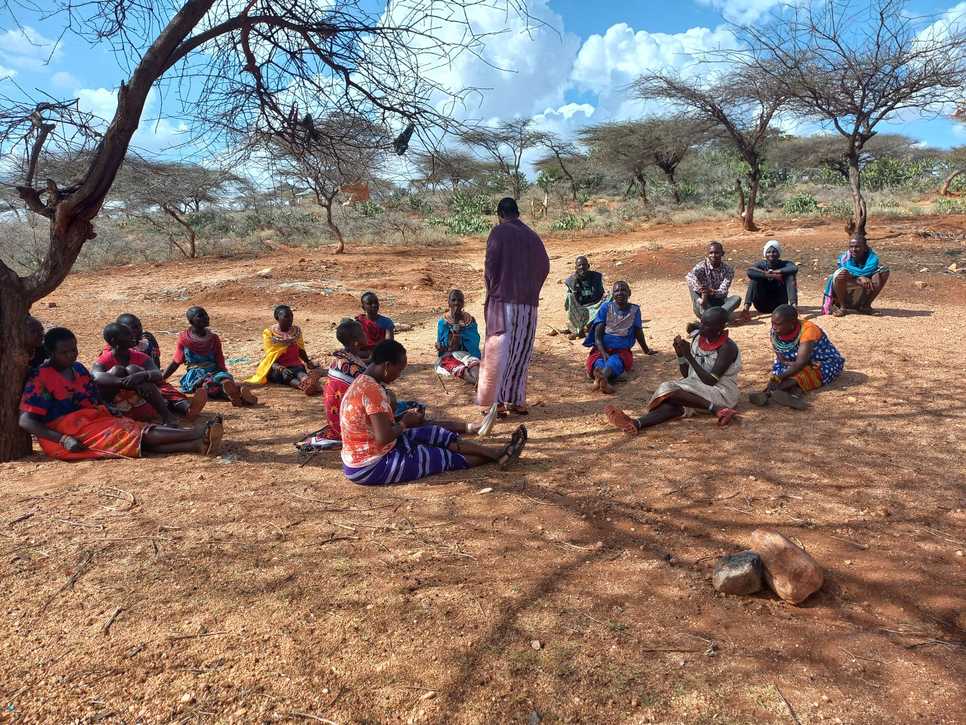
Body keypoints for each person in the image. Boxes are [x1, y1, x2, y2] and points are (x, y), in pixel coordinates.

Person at [19, 327, 223, 461]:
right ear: (51, 353)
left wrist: (109, 409)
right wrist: (63, 439)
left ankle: (196, 444)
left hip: (92, 420)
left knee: (132, 431)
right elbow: (26, 421)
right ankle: (196, 433)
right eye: (65, 352)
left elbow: (94, 397)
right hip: (66, 432)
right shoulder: (41, 378)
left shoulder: (78, 369)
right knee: (126, 434)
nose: (72, 355)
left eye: (74, 350)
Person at [339, 340, 527, 484]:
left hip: (370, 453)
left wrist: (404, 420)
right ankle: (499, 455)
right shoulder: (372, 392)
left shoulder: (364, 383)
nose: (399, 375)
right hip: (370, 465)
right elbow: (383, 437)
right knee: (440, 457)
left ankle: (497, 453)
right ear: (387, 366)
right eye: (399, 369)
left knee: (433, 434)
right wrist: (404, 423)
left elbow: (377, 427)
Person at [605, 307, 741, 433]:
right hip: (697, 388)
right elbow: (688, 374)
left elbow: (710, 381)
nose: (701, 327)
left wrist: (689, 355)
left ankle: (717, 409)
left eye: (706, 325)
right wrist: (680, 355)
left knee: (669, 389)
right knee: (672, 403)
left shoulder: (727, 348)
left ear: (719, 327)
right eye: (701, 322)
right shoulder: (698, 339)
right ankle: (636, 423)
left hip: (721, 393)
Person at [477, 197, 550, 416]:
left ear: (499, 214)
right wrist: (531, 290)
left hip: (503, 303)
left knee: (497, 351)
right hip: (528, 305)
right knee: (521, 351)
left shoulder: (498, 232)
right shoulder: (533, 236)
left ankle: (494, 404)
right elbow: (544, 267)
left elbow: (490, 266)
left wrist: (492, 288)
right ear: (517, 213)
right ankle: (516, 400)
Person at [93, 322, 206, 424]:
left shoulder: (141, 356)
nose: (132, 336)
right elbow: (95, 376)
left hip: (139, 403)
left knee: (135, 371)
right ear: (114, 340)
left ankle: (168, 415)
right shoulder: (104, 359)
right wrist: (122, 381)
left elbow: (157, 374)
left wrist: (141, 375)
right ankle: (171, 414)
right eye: (127, 334)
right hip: (115, 404)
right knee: (118, 371)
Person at [750, 304, 845, 409]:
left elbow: (800, 363)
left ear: (792, 324)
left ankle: (769, 392)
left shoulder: (808, 330)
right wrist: (790, 367)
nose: (774, 327)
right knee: (784, 370)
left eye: (778, 324)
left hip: (825, 362)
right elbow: (782, 359)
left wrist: (779, 378)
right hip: (795, 362)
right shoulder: (775, 332)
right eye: (772, 323)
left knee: (807, 372)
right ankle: (794, 394)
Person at [162, 306, 256, 406]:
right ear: (191, 321)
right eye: (200, 316)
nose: (206, 317)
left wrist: (220, 372)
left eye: (205, 315)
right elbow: (176, 361)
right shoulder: (184, 339)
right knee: (209, 384)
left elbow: (219, 360)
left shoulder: (213, 338)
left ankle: (233, 394)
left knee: (222, 380)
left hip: (214, 371)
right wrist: (161, 378)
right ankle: (238, 395)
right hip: (197, 374)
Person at [584, 281, 655, 394]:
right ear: (613, 294)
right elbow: (597, 336)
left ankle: (600, 379)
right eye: (616, 291)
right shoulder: (606, 308)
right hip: (602, 348)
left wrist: (646, 350)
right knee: (599, 361)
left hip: (621, 350)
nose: (620, 293)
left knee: (614, 362)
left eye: (623, 290)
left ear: (629, 293)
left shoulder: (634, 310)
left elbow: (638, 332)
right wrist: (603, 352)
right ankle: (604, 379)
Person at [246, 304, 322, 394]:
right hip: (277, 367)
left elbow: (300, 349)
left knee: (300, 372)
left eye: (291, 316)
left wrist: (308, 362)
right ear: (277, 318)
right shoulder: (269, 333)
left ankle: (309, 382)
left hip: (295, 364)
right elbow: (270, 357)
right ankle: (303, 386)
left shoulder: (296, 331)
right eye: (286, 316)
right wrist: (281, 368)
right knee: (286, 376)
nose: (290, 319)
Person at [822, 237, 890, 316]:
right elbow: (844, 273)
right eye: (851, 247)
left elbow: (876, 273)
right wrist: (859, 277)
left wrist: (875, 277)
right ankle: (842, 307)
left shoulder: (872, 260)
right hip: (844, 292)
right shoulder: (844, 259)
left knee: (883, 271)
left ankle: (866, 306)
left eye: (857, 247)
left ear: (865, 248)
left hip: (861, 291)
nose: (853, 249)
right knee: (841, 273)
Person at [736, 240, 799, 319]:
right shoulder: (761, 264)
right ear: (765, 254)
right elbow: (750, 271)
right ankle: (746, 310)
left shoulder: (784, 264)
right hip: (762, 305)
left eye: (774, 252)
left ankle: (794, 307)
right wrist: (768, 275)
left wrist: (776, 271)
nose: (771, 254)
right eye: (768, 252)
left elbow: (794, 268)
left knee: (790, 276)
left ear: (779, 253)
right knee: (754, 279)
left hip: (780, 305)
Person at [435, 289, 481, 386]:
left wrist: (458, 328)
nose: (456, 303)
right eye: (454, 300)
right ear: (449, 303)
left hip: (467, 354)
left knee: (474, 363)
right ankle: (476, 382)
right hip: (450, 355)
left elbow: (474, 342)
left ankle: (477, 379)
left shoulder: (470, 321)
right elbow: (449, 347)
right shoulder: (443, 322)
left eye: (460, 300)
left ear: (463, 303)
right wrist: (440, 345)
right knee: (458, 367)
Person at [686, 241, 741, 319]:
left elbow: (723, 292)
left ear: (722, 253)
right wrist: (702, 290)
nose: (713, 255)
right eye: (711, 253)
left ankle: (712, 317)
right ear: (707, 254)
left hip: (719, 301)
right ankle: (716, 316)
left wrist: (711, 291)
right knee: (690, 283)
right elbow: (690, 277)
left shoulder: (728, 270)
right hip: (703, 303)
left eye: (717, 253)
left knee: (736, 299)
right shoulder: (701, 266)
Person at [564, 256, 607, 338]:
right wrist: (574, 288)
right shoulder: (571, 280)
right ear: (575, 267)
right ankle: (579, 329)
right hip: (581, 309)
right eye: (579, 265)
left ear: (588, 266)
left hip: (596, 306)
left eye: (584, 265)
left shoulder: (596, 277)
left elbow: (600, 294)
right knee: (569, 296)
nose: (582, 267)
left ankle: (591, 326)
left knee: (612, 297)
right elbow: (570, 303)